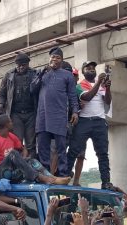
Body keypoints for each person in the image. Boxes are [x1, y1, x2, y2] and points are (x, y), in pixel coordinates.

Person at [30, 47, 79, 177]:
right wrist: (41, 73)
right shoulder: (42, 73)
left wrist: (75, 111)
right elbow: (32, 89)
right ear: (49, 59)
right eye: (53, 57)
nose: (55, 59)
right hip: (43, 116)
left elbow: (73, 95)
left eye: (58, 57)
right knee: (43, 149)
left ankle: (62, 174)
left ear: (61, 60)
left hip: (59, 116)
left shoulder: (67, 75)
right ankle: (45, 174)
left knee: (61, 148)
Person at [67, 61, 113, 190]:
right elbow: (86, 97)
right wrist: (98, 83)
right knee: (74, 150)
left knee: (102, 153)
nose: (91, 69)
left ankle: (105, 181)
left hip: (100, 121)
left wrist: (108, 88)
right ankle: (64, 176)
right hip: (84, 121)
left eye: (93, 68)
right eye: (88, 68)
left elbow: (108, 101)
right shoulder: (80, 85)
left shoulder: (103, 86)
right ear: (83, 71)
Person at [0, 114, 70, 185]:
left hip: (12, 171)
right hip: (0, 174)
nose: (12, 123)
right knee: (13, 153)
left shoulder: (10, 136)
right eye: (10, 121)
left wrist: (23, 160)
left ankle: (52, 178)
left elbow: (24, 149)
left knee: (31, 161)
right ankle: (41, 177)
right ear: (6, 125)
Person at [0, 53, 37, 158]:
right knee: (17, 141)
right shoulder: (9, 76)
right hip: (15, 115)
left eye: (23, 65)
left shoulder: (35, 74)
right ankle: (18, 166)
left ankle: (33, 167)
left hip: (31, 113)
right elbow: (2, 94)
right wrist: (0, 107)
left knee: (31, 143)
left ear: (28, 64)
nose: (21, 67)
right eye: (18, 65)